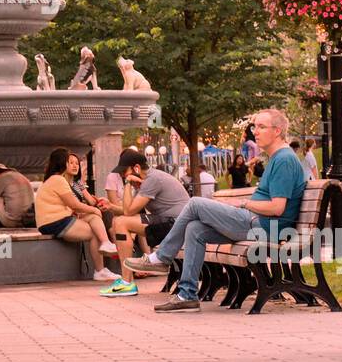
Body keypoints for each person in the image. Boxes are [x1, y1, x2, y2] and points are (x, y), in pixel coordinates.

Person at [125, 108, 305, 312]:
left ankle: (162, 258)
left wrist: (244, 203)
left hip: (264, 226)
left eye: (262, 127)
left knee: (195, 204)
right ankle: (187, 295)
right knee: (194, 228)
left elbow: (277, 208)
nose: (255, 131)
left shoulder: (284, 160)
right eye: (255, 126)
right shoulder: (278, 158)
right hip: (257, 222)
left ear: (278, 131)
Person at [34, 146, 120, 281]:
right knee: (93, 231)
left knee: (92, 218)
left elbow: (70, 205)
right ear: (63, 163)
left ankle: (105, 244)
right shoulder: (58, 179)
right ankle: (100, 269)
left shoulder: (54, 179)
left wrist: (89, 212)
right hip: (54, 222)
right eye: (69, 162)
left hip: (56, 220)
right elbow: (73, 204)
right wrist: (94, 209)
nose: (73, 165)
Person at [107, 149, 190, 286]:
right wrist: (110, 206)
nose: (122, 175)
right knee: (119, 221)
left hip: (177, 224)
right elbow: (129, 209)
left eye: (124, 172)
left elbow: (128, 211)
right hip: (170, 222)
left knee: (121, 222)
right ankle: (126, 280)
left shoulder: (152, 179)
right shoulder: (146, 181)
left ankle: (127, 282)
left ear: (137, 168)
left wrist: (127, 183)